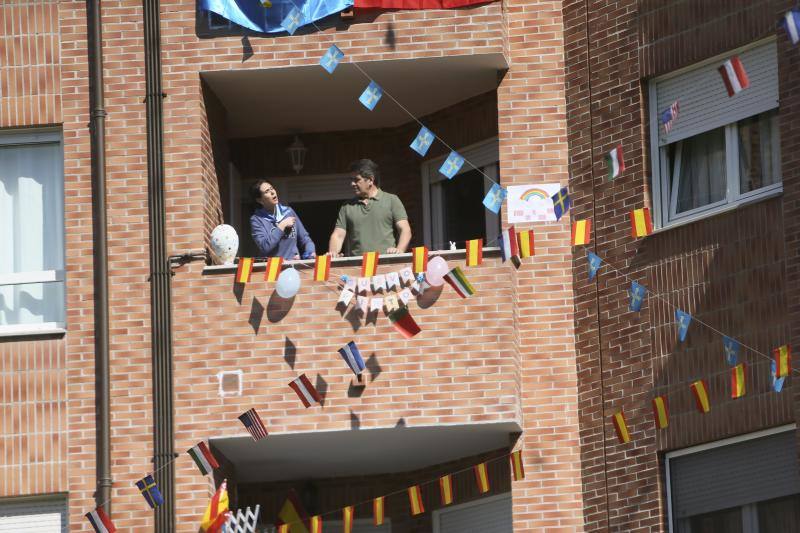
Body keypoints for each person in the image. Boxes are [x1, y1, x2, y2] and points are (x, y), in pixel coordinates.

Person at [328, 159, 411, 257]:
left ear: (370, 180)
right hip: (358, 267)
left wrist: (399, 250)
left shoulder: (391, 200)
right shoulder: (347, 206)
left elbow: (405, 230)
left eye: (357, 180)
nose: (352, 184)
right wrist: (333, 253)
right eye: (351, 180)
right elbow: (338, 235)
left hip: (386, 265)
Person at [250, 180, 316, 260]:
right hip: (271, 270)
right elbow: (265, 247)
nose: (272, 192)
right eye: (267, 191)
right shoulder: (256, 220)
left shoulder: (289, 212)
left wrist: (309, 254)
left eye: (272, 188)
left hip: (292, 267)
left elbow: (305, 239)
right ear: (259, 200)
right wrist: (282, 225)